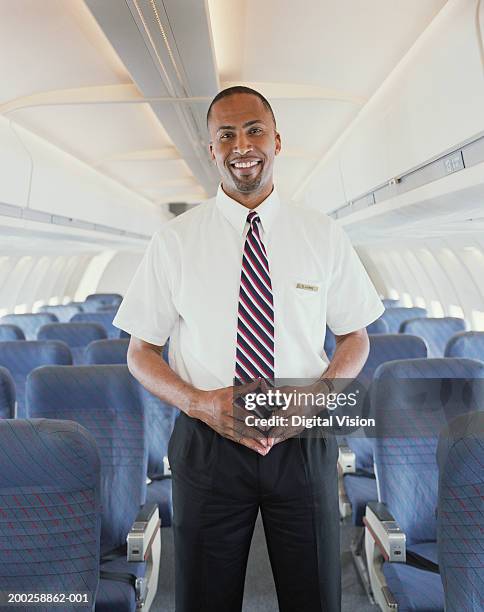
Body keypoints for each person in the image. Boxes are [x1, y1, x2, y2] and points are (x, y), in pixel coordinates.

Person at [113, 86, 384, 612]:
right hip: (206, 440)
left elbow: (356, 336)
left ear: (277, 140)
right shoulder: (175, 241)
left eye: (254, 130)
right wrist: (200, 403)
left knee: (316, 596)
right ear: (210, 149)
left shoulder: (322, 234)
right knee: (204, 598)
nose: (242, 145)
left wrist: (319, 398)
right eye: (227, 135)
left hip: (302, 440)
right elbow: (139, 352)